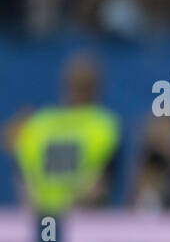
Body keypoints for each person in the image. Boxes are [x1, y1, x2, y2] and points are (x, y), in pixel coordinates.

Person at [13, 54, 122, 214]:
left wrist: (45, 214)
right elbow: (101, 183)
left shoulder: (39, 123)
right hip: (74, 221)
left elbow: (24, 183)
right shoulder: (104, 125)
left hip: (54, 219)